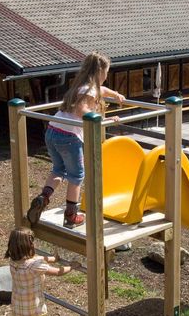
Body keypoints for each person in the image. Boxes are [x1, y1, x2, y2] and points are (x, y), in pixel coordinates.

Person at [27, 51, 125, 229]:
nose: (107, 76)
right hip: (69, 137)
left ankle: (43, 198)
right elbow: (82, 110)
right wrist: (105, 120)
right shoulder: (89, 90)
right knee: (77, 175)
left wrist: (116, 94)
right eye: (106, 72)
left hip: (52, 131)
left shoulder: (81, 86)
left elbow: (102, 91)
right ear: (99, 72)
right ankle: (71, 215)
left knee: (58, 169)